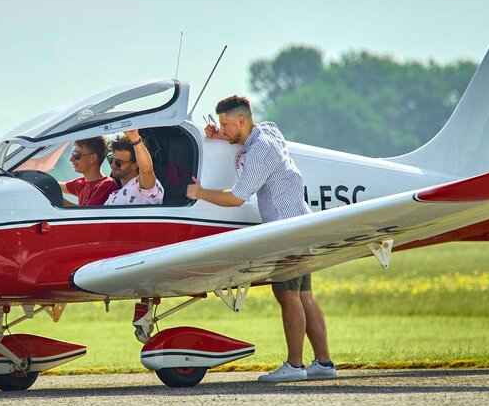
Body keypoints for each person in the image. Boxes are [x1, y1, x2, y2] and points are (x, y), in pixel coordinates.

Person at [186, 95, 335, 382]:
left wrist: (201, 193)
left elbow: (237, 198)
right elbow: (249, 140)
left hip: (286, 232)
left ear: (241, 120)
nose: (223, 128)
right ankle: (324, 364)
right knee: (304, 298)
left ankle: (294, 366)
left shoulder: (261, 150)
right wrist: (221, 136)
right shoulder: (268, 131)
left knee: (287, 296)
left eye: (226, 123)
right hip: (301, 224)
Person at [104, 129, 164, 205]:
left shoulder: (142, 189)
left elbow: (147, 171)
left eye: (118, 163)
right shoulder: (115, 194)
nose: (112, 165)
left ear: (135, 165)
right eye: (111, 159)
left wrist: (135, 139)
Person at [60, 136, 117, 206]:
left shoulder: (107, 185)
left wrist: (58, 201)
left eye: (76, 155)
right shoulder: (82, 183)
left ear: (93, 158)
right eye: (72, 154)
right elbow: (54, 186)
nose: (71, 159)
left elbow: (87, 214)